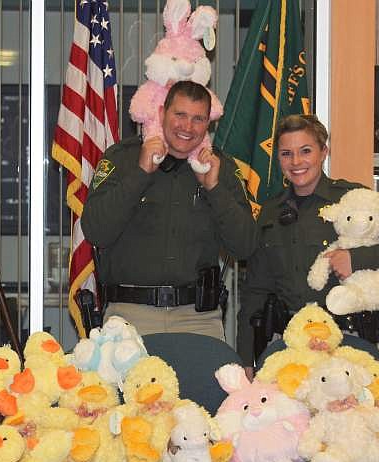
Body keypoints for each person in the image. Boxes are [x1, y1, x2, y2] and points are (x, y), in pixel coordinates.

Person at [236, 114, 379, 369]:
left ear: (324, 152)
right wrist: (245, 360)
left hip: (345, 342)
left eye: (306, 151)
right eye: (286, 153)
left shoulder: (353, 199)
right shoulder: (270, 212)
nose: (296, 162)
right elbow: (254, 291)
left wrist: (356, 259)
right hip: (289, 343)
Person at [81, 81, 256, 341]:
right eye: (180, 115)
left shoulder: (221, 167)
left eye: (198, 119)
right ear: (162, 113)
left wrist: (215, 189)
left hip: (198, 319)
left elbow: (245, 246)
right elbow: (96, 231)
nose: (187, 127)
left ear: (208, 123)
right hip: (130, 317)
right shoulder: (122, 158)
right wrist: (141, 174)